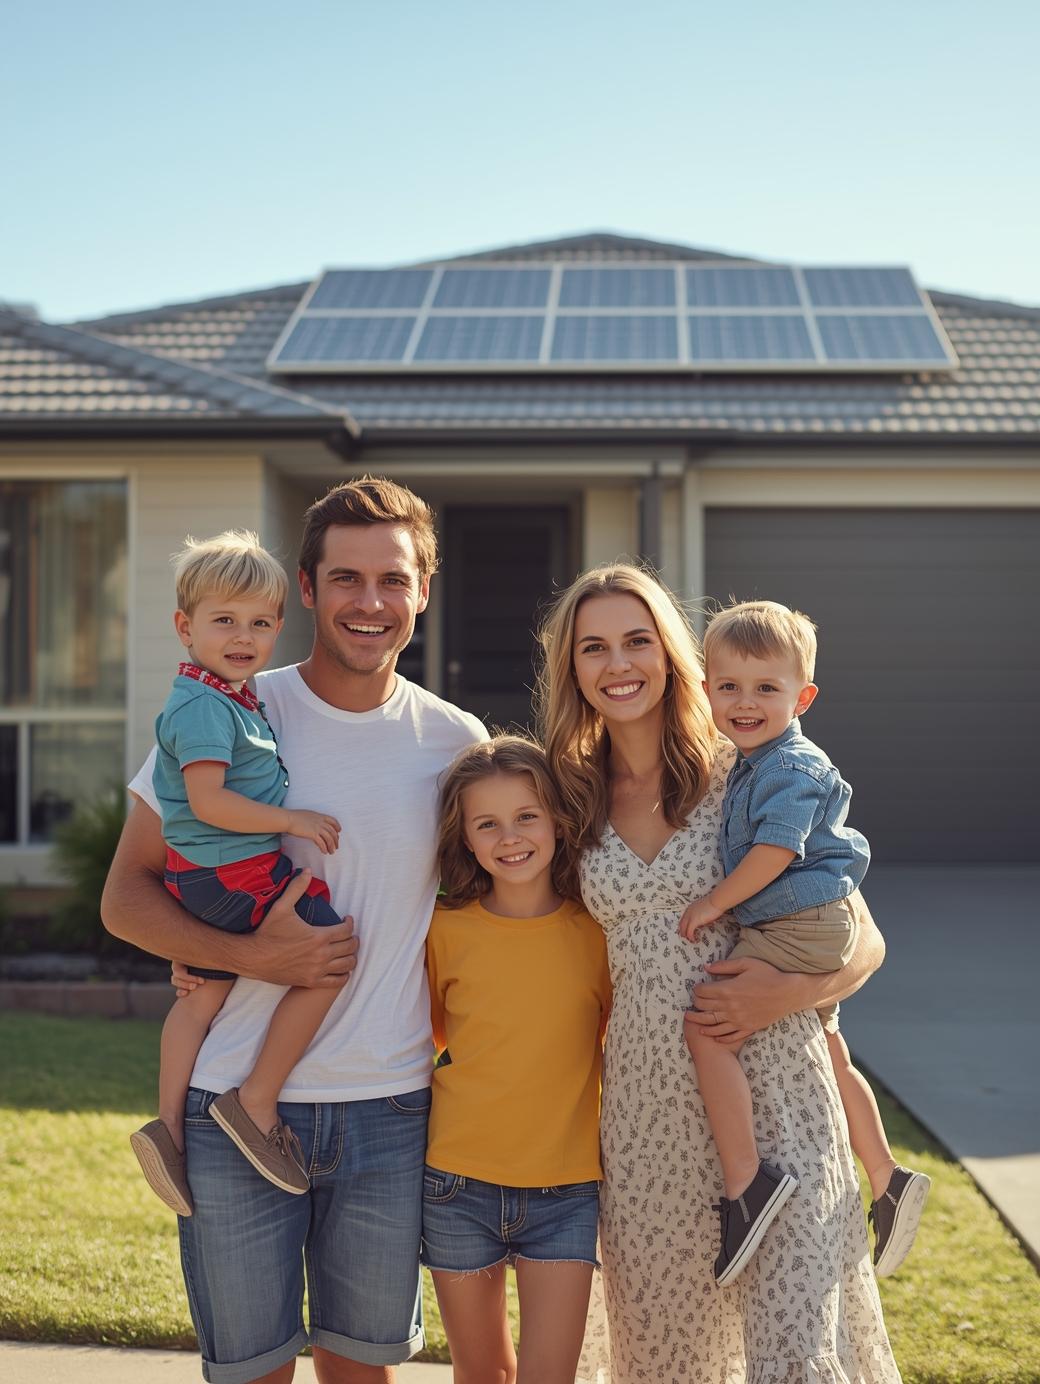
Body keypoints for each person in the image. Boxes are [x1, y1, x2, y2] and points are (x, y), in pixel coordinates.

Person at [102, 477, 485, 1384]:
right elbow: (126, 895)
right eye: (345, 579)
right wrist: (238, 955)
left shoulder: (456, 743)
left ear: (422, 591)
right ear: (306, 590)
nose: (370, 603)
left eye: (393, 580)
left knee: (361, 1372)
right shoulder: (231, 707)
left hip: (388, 1111)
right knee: (252, 1373)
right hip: (231, 1102)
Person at [536, 563, 901, 1384]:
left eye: (638, 640)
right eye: (594, 647)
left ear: (672, 656)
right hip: (646, 1108)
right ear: (572, 668)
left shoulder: (748, 762)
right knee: (673, 1351)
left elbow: (863, 937)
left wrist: (795, 991)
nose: (618, 663)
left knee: (792, 1343)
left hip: (774, 1085)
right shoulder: (567, 796)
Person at [679, 599, 929, 1283]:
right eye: (728, 686)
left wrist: (713, 902)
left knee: (707, 1027)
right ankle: (886, 1175)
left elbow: (774, 853)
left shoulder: (791, 767)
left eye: (767, 688)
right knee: (827, 1044)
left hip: (798, 924)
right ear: (705, 691)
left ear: (804, 696)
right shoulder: (752, 759)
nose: (745, 702)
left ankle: (746, 1183)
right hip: (812, 922)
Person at [131, 531, 345, 1214]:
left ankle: (167, 1129)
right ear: (185, 627)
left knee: (199, 994)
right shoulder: (205, 705)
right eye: (224, 621)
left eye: (259, 623)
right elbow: (207, 801)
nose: (243, 636)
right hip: (230, 871)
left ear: (280, 627)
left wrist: (201, 944)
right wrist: (295, 822)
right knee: (330, 951)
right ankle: (255, 1100)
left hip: (206, 878)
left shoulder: (229, 696)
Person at [422, 736, 611, 1384]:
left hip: (565, 1191)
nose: (510, 837)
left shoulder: (597, 934)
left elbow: (615, 1050)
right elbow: (433, 1041)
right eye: (488, 824)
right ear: (466, 839)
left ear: (557, 820)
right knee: (481, 1377)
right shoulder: (444, 931)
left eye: (526, 816)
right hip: (456, 1185)